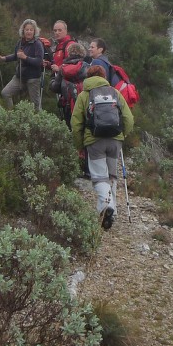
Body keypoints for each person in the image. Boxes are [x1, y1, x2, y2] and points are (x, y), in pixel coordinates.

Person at [71, 64, 134, 231]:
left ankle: (107, 206)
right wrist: (123, 135)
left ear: (88, 77)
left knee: (99, 177)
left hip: (94, 141)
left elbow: (75, 123)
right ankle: (109, 211)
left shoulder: (84, 95)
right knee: (111, 176)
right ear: (104, 76)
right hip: (115, 140)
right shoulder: (115, 92)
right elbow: (128, 118)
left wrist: (80, 144)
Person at [0, 19, 46, 109]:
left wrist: (25, 57)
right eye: (27, 29)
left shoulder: (38, 44)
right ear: (23, 30)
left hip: (33, 78)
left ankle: (39, 122)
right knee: (5, 93)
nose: (29, 32)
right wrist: (3, 58)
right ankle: (11, 117)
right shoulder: (20, 42)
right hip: (19, 76)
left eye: (31, 30)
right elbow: (16, 56)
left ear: (35, 31)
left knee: (36, 105)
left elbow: (39, 61)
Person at [53, 41, 88, 128]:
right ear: (82, 53)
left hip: (68, 104)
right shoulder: (87, 67)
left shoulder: (63, 67)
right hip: (84, 103)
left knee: (70, 128)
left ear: (68, 53)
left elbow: (55, 88)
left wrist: (52, 81)